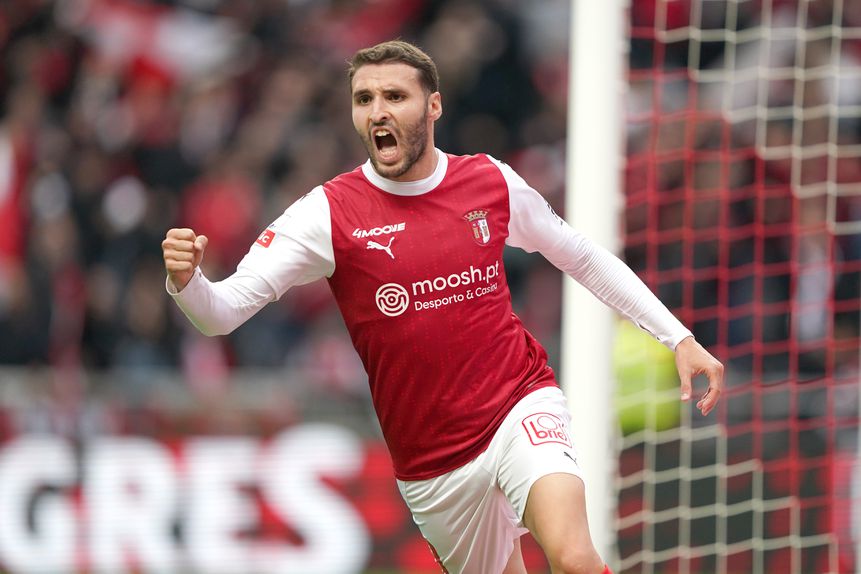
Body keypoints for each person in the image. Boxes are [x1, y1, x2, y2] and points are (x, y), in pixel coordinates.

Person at [162, 40, 724, 574]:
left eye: (395, 96)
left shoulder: (489, 182)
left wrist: (677, 336)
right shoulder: (326, 213)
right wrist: (187, 282)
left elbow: (581, 256)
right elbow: (222, 313)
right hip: (434, 464)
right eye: (364, 99)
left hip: (519, 403)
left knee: (574, 557)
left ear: (433, 106)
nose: (378, 112)